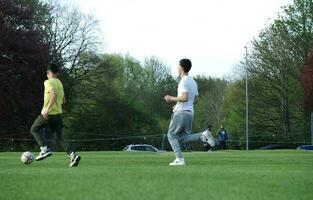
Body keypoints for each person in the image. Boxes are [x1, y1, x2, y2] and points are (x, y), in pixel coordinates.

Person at [31, 64, 81, 167]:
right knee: (59, 138)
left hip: (48, 114)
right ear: (57, 73)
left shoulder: (48, 82)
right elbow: (63, 100)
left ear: (48, 73)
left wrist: (47, 109)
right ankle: (72, 154)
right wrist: (57, 106)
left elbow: (53, 94)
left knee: (34, 129)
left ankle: (44, 148)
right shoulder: (59, 83)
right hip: (58, 115)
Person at [164, 58, 212, 166]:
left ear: (182, 67)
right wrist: (178, 104)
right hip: (190, 113)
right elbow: (195, 100)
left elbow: (184, 97)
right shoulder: (193, 82)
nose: (177, 68)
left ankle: (180, 159)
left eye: (178, 66)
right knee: (181, 138)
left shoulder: (183, 81)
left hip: (181, 113)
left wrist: (171, 98)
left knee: (171, 136)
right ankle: (202, 135)